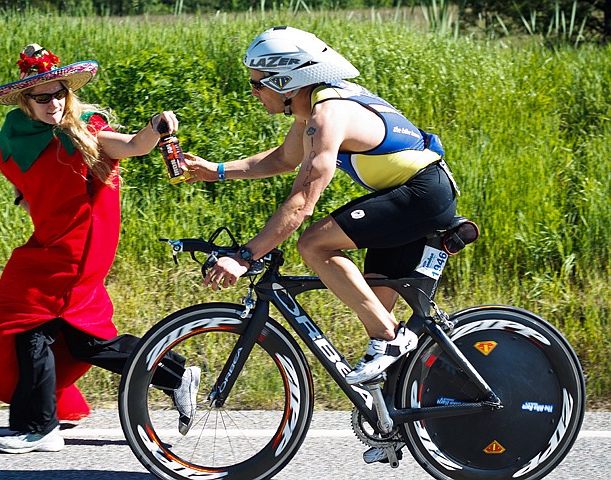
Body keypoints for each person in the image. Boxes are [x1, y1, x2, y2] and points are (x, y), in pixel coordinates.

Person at [185, 26, 458, 459]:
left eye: (257, 82)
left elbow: (301, 203)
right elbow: (281, 159)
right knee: (378, 325)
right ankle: (391, 428)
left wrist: (245, 256)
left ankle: (391, 339)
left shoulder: (326, 116)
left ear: (283, 80)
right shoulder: (315, 107)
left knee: (314, 245)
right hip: (407, 196)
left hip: (420, 196)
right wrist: (216, 170)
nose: (253, 92)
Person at [0, 44, 200, 454]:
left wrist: (155, 126)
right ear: (25, 102)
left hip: (75, 248)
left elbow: (134, 146)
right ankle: (173, 375)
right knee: (84, 340)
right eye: (42, 97)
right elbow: (26, 183)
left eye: (60, 93)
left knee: (28, 323)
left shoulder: (84, 133)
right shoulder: (17, 133)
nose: (54, 103)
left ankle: (40, 427)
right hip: (49, 242)